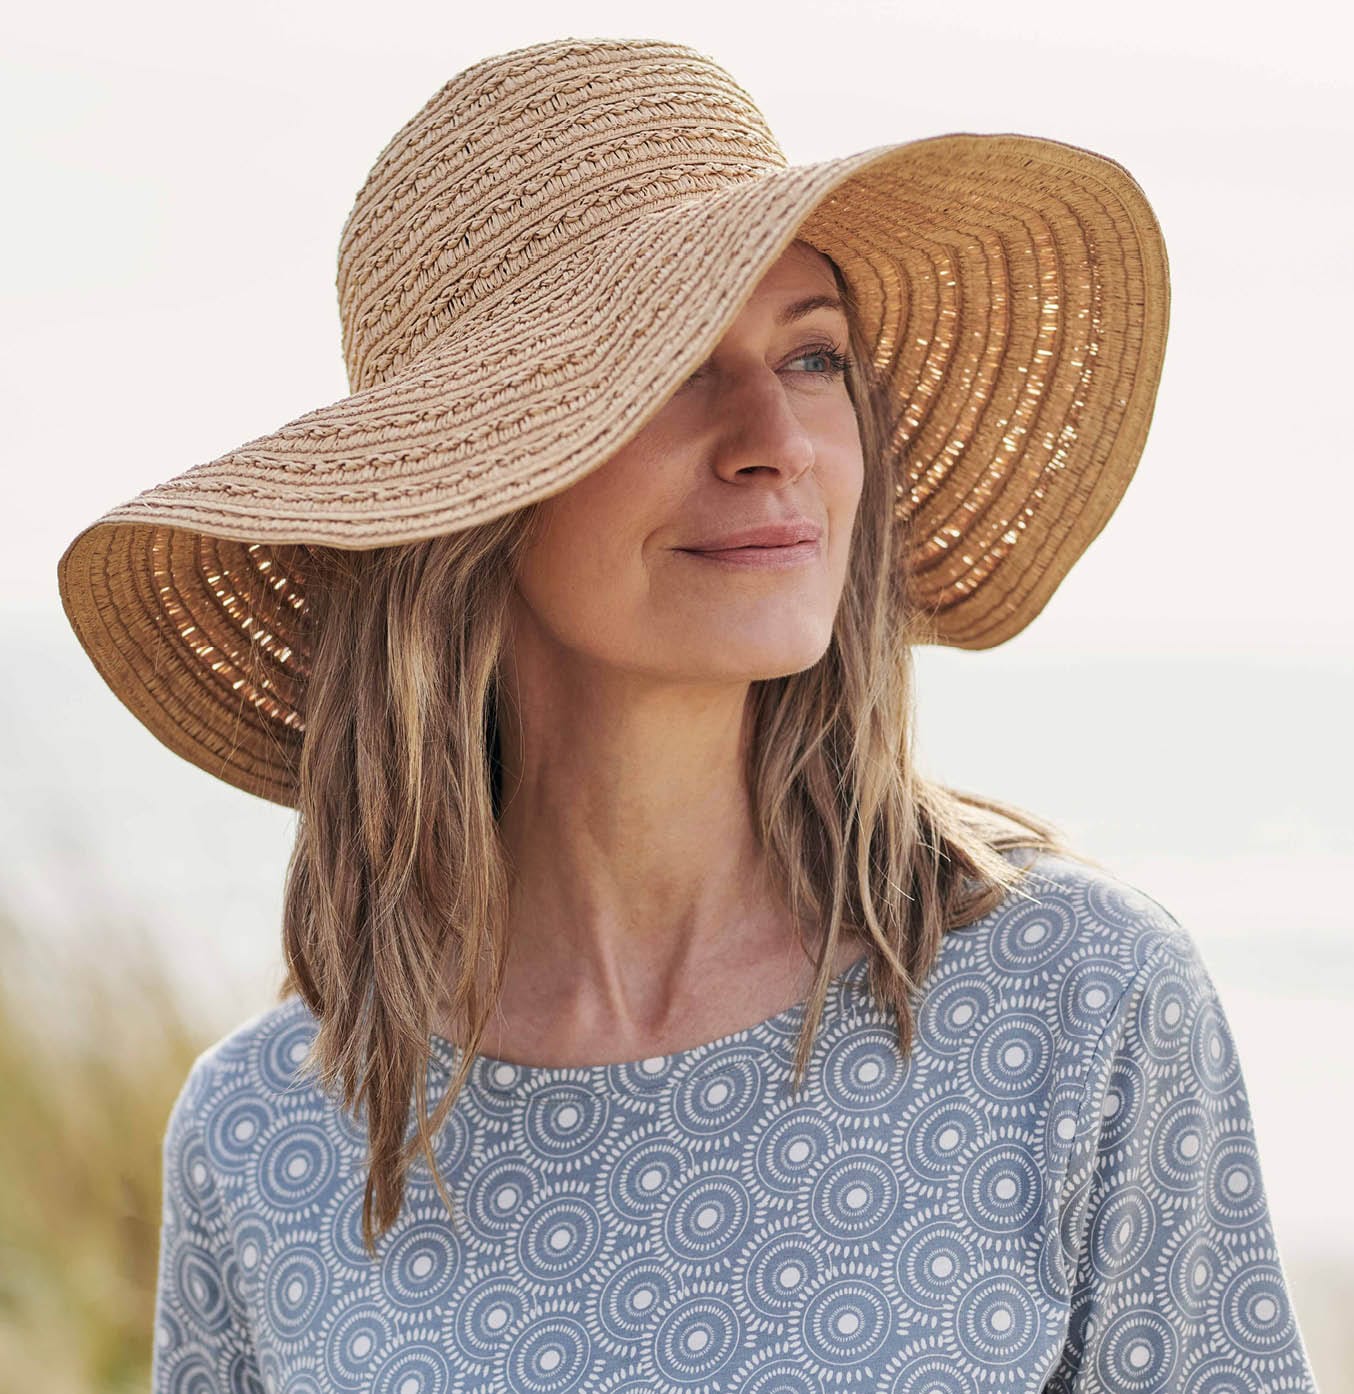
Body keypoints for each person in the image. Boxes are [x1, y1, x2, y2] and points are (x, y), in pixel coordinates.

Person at [57, 37, 1320, 1394]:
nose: (771, 435)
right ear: (468, 497)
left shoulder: (1076, 1000)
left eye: (814, 355)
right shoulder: (267, 1132)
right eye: (664, 366)